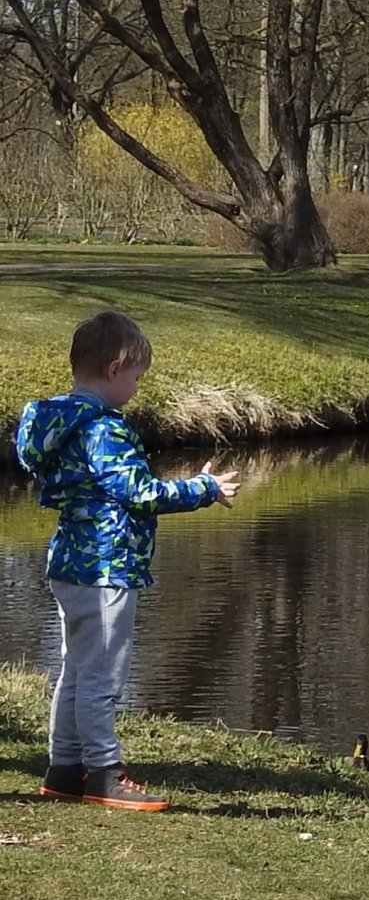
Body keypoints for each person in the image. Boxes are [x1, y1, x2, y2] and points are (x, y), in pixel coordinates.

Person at [12, 312, 239, 811]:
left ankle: (66, 768)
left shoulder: (58, 421)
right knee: (101, 677)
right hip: (106, 567)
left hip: (70, 562)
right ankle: (104, 773)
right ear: (116, 369)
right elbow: (137, 492)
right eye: (137, 378)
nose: (137, 388)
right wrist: (203, 489)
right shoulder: (103, 429)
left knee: (76, 669)